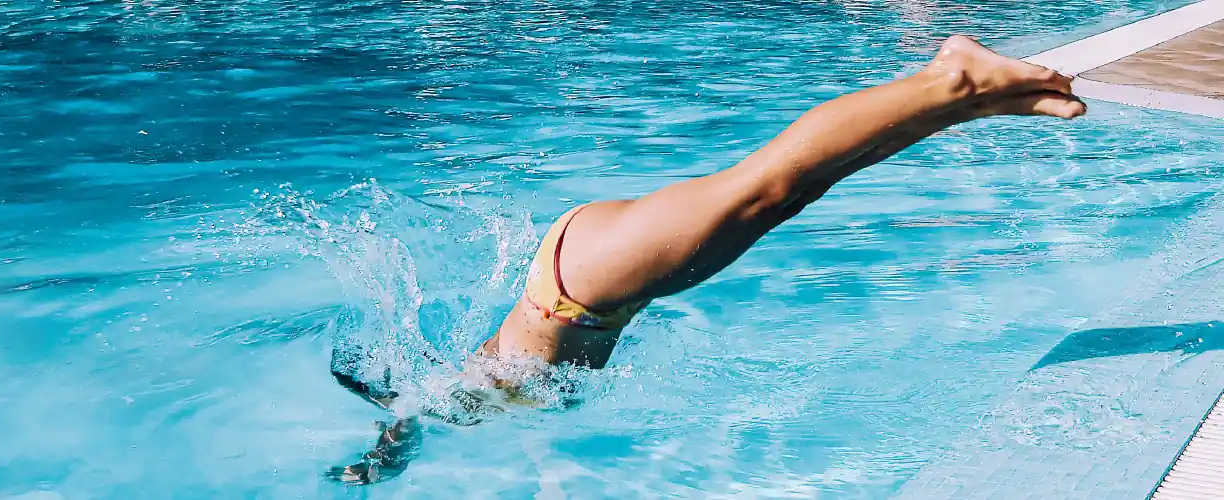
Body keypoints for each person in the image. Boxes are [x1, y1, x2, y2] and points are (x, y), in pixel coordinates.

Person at [326, 35, 1086, 485]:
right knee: (790, 196)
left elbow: (406, 420)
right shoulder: (460, 400)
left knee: (767, 186)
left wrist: (378, 461)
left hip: (583, 286)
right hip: (584, 270)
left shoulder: (442, 398)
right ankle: (964, 99)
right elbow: (436, 433)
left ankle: (951, 76)